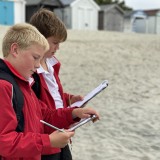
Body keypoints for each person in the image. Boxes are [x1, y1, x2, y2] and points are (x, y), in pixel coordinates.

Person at [0, 23, 100, 160]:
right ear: (15, 50)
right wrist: (48, 142)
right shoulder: (4, 86)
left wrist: (73, 113)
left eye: (40, 59)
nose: (37, 65)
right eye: (35, 57)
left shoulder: (24, 83)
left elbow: (44, 116)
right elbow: (4, 143)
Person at [29, 8, 84, 160]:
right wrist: (71, 113)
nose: (57, 47)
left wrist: (69, 99)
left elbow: (53, 95)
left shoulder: (51, 64)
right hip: (46, 137)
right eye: (55, 42)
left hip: (60, 129)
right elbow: (40, 111)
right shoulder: (31, 72)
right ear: (39, 38)